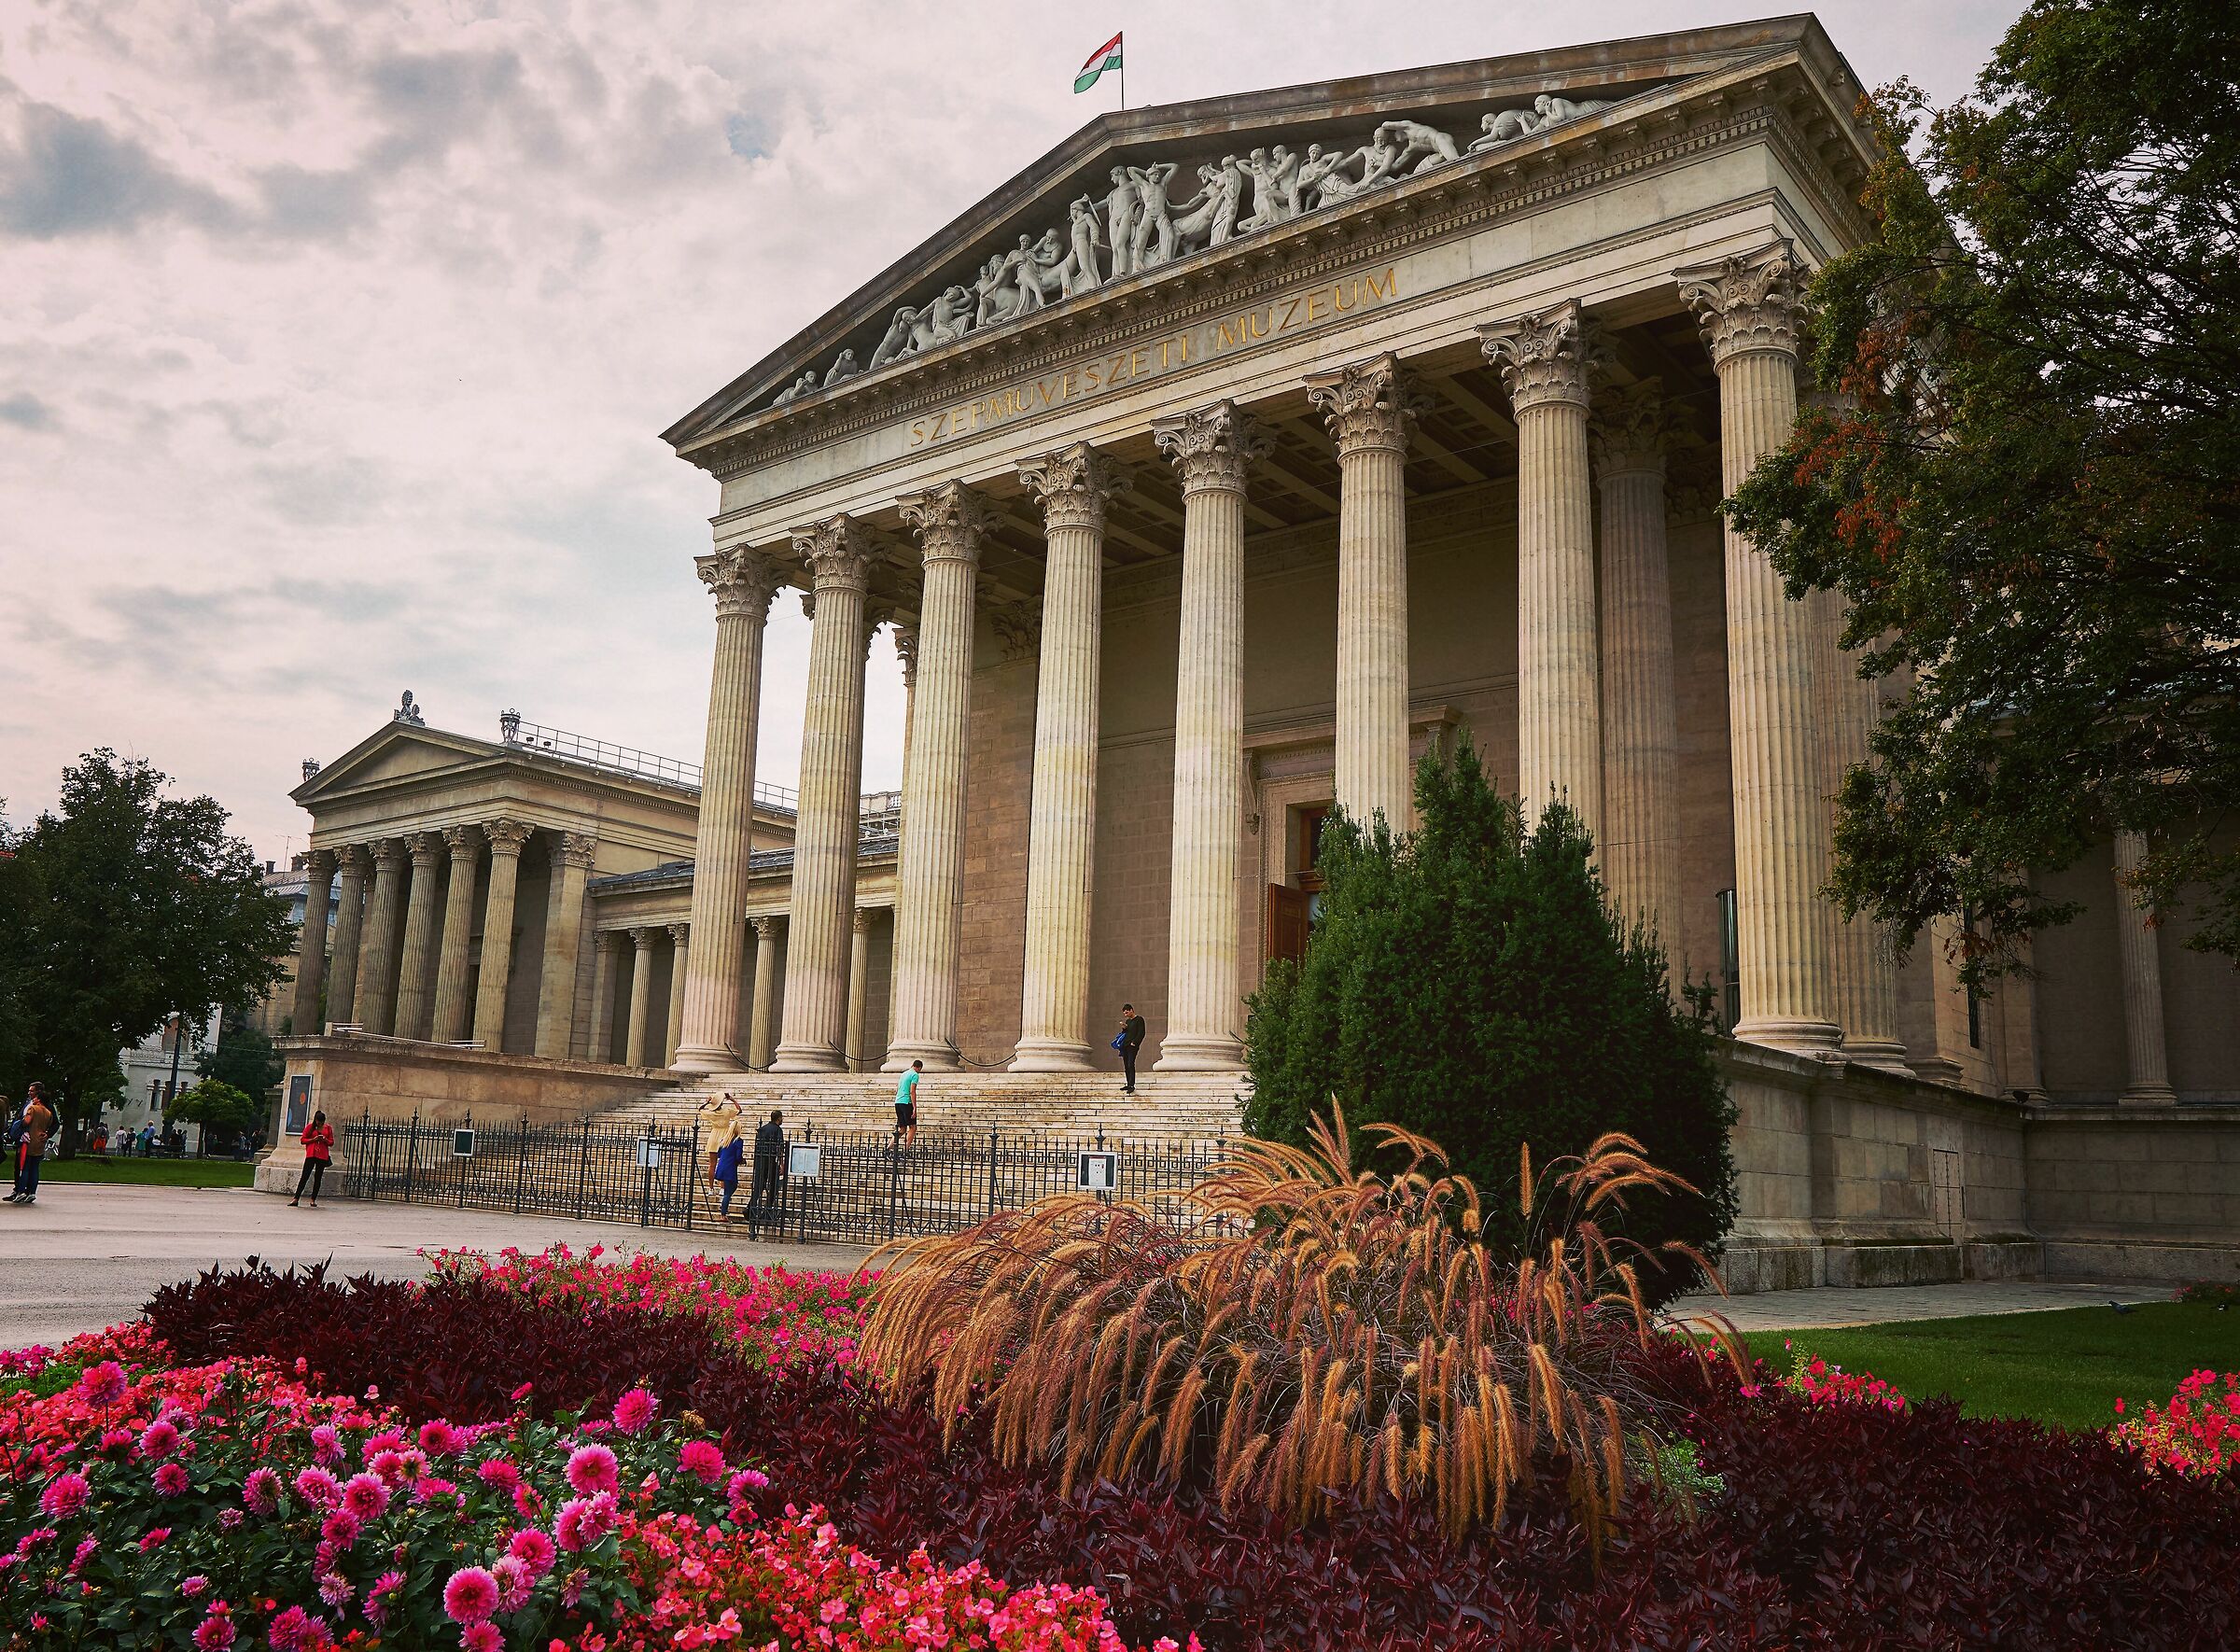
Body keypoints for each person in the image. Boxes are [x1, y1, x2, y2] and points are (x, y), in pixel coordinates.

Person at [8, 1084, 54, 1205]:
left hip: (29, 1141)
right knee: (34, 1168)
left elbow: (26, 1121)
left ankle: (21, 1191)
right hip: (40, 1142)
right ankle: (32, 1192)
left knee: (24, 1167)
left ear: (39, 1098)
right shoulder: (48, 1112)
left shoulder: (33, 1109)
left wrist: (20, 1124)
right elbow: (50, 1124)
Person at [746, 1109, 787, 1232]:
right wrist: (782, 1164)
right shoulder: (777, 1130)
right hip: (771, 1160)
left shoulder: (762, 1129)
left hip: (760, 1160)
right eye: (781, 1118)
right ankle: (767, 1210)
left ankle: (750, 1208)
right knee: (773, 1185)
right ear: (778, 1118)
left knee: (759, 1185)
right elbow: (779, 1148)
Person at [707, 1099, 744, 1222]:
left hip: (722, 1167)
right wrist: (741, 1161)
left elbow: (719, 1154)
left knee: (730, 1189)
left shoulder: (724, 1140)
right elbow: (738, 1156)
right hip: (730, 1169)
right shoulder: (738, 1141)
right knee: (729, 1191)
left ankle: (723, 1209)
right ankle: (723, 1214)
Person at [288, 1110, 334, 1208]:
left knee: (318, 1178)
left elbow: (331, 1142)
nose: (320, 1124)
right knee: (305, 1176)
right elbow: (302, 1140)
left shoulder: (328, 1128)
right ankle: (296, 1198)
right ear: (315, 1120)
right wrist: (313, 1140)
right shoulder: (310, 1127)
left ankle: (313, 1199)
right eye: (318, 1122)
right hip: (311, 1154)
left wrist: (325, 1140)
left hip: (322, 1155)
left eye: (321, 1122)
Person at [1115, 1004, 1147, 1095]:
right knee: (1126, 1065)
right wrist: (1124, 1028)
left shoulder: (1139, 1019)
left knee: (1130, 1064)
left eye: (1127, 1012)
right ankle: (1128, 1084)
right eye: (1124, 1013)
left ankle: (1131, 1085)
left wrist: (1135, 1042)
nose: (1125, 1014)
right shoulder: (1128, 1021)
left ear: (1132, 1010)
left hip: (1132, 1046)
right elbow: (1126, 1033)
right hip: (1125, 1045)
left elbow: (1141, 1033)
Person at [894, 1059, 922, 1145]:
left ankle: (888, 1148)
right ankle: (905, 1150)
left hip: (898, 1102)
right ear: (919, 1068)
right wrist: (914, 1107)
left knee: (902, 1129)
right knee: (913, 1127)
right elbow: (912, 1091)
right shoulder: (915, 1075)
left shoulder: (904, 1074)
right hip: (906, 1102)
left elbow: (898, 1088)